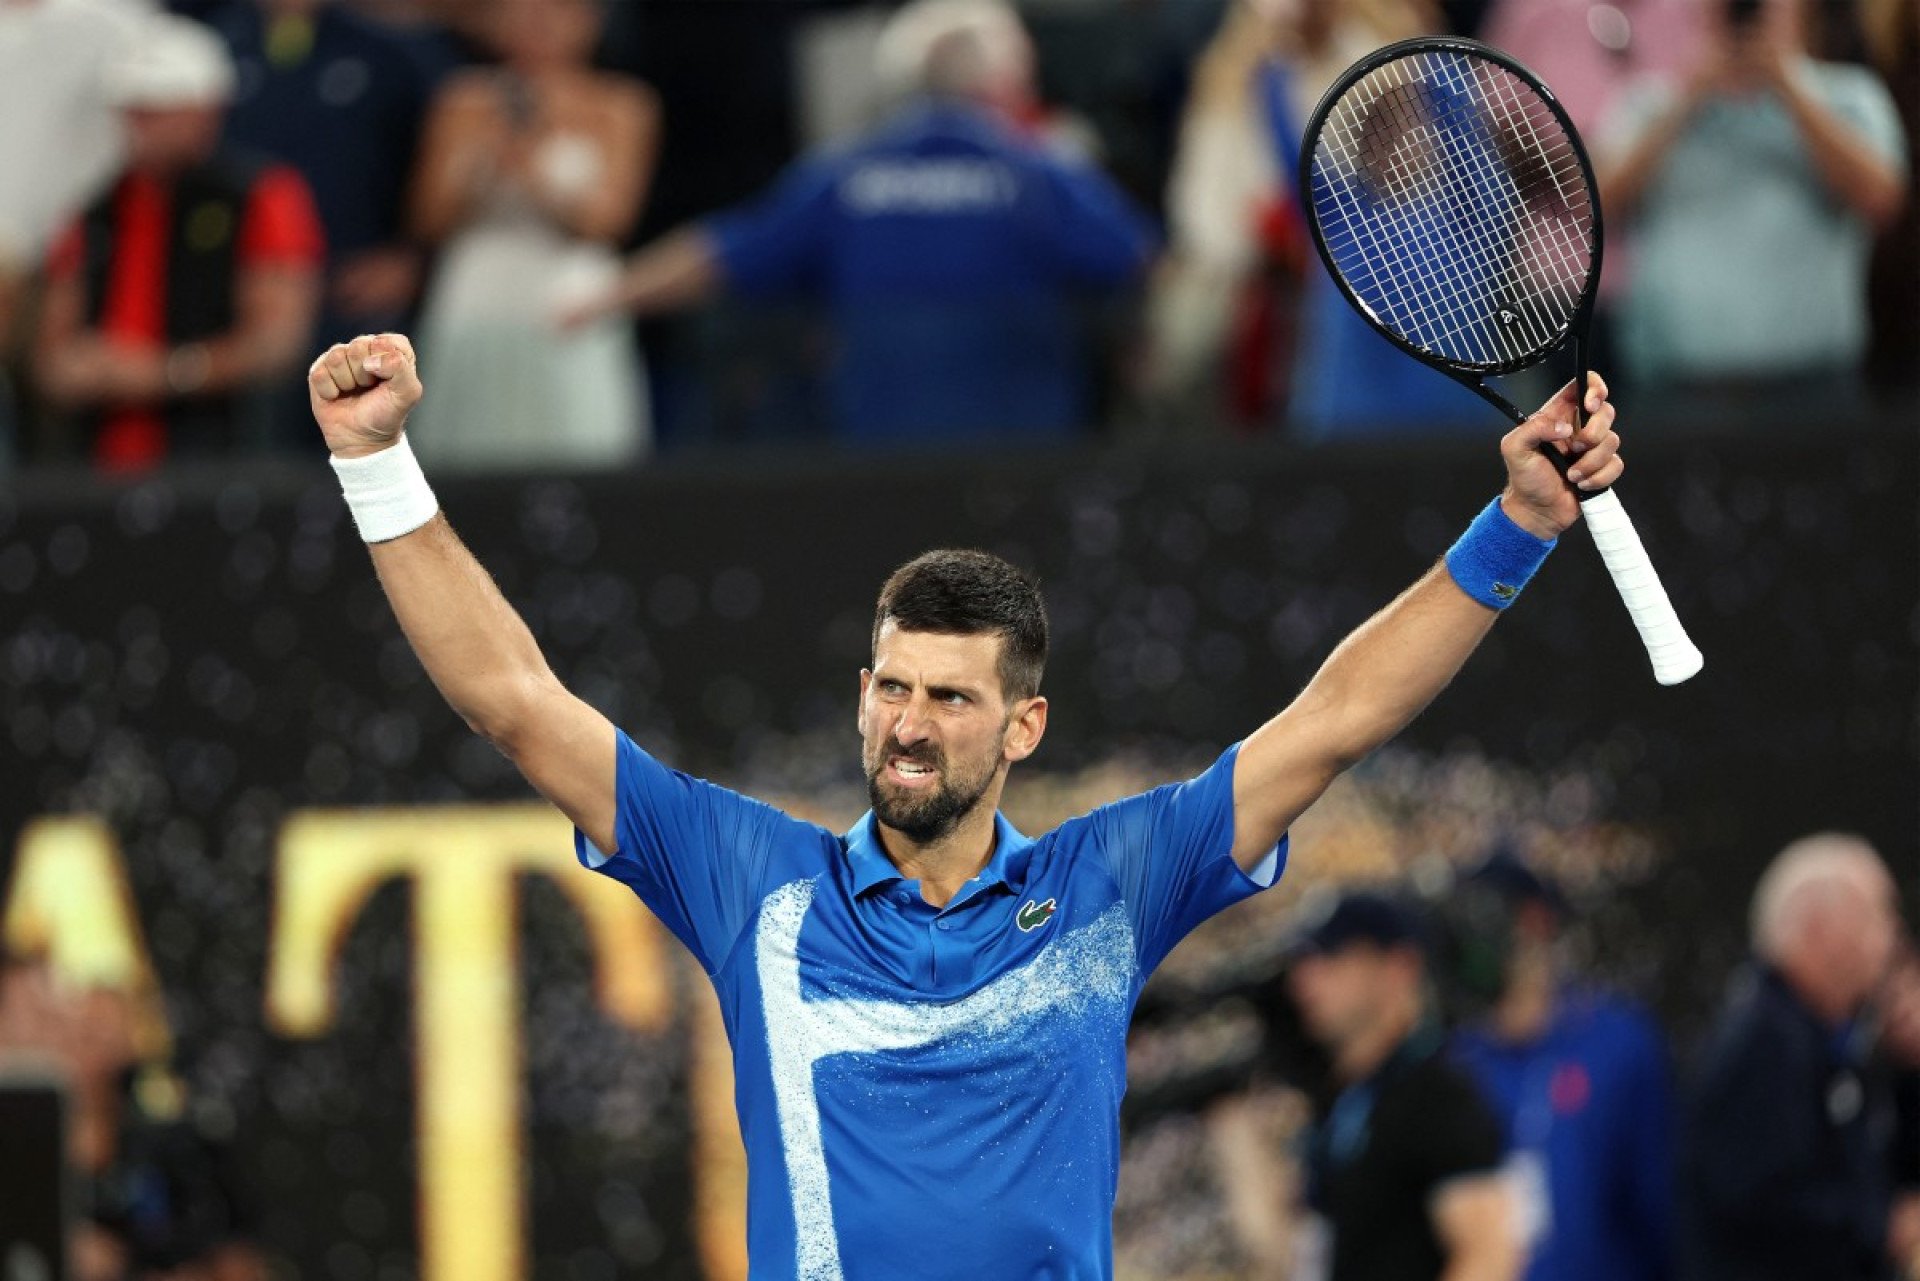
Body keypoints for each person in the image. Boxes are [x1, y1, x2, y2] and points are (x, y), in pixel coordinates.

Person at [306, 327, 1622, 1277]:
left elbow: (1339, 718)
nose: (909, 724)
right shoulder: (749, 879)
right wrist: (377, 467)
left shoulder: (1115, 883)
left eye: (949, 698)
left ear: (1023, 726)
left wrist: (1514, 524)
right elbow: (515, 701)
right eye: (892, 688)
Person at [561, 0, 1156, 446]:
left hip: (877, 457)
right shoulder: (1039, 173)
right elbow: (1139, 260)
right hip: (1020, 449)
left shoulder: (847, 175)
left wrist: (604, 297)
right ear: (1004, 81)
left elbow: (722, 252)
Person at [1146, 0, 1490, 439]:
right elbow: (1213, 227)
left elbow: (1486, 202)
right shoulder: (1260, 82)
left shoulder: (1430, 69)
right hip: (1340, 343)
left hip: (1448, 327)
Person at [32, 11, 324, 470]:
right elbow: (53, 348)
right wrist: (73, 370)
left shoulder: (261, 195)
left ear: (204, 110)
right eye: (130, 111)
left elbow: (278, 344)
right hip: (98, 463)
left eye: (154, 111)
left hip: (220, 460)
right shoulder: (94, 208)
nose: (137, 126)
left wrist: (162, 373)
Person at [1598, 0, 1907, 417]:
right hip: (1675, 390)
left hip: (1815, 388)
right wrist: (1689, 96)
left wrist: (1789, 88)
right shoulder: (1650, 103)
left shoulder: (1848, 96)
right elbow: (1601, 204)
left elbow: (1881, 199)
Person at [404, 0, 658, 471]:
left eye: (555, 13)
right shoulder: (464, 100)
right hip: (477, 296)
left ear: (589, 22)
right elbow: (427, 220)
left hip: (571, 300)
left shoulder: (621, 104)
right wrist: (487, 165)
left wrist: (535, 172)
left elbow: (610, 224)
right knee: (469, 452)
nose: (537, 28)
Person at [1678, 832, 1906, 1281]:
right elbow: (1757, 1202)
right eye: (1879, 914)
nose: (1892, 940)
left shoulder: (1822, 1036)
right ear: (1819, 928)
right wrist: (1880, 1226)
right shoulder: (1765, 1044)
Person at [1449, 850, 1674, 1281]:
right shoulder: (1455, 1064)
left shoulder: (1618, 1043)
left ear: (1535, 920)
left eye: (1481, 919)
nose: (1469, 940)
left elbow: (1659, 1204)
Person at [1286, 890, 1520, 1281]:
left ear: (1399, 966)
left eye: (1333, 958)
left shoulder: (1438, 1096)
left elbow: (1490, 1259)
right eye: (1303, 963)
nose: (1305, 980)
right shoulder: (1345, 1101)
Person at [204, 0, 449, 345]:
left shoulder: (388, 52)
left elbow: (434, 154)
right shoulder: (213, 44)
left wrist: (413, 259)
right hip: (231, 290)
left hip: (348, 291)